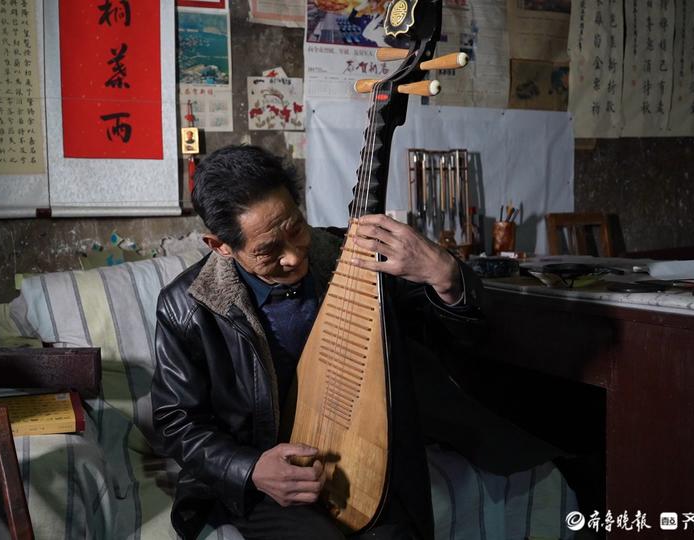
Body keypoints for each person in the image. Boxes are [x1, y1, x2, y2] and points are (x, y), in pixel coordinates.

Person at [152, 145, 483, 540]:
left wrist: (447, 276)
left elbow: (453, 334)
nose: (293, 256)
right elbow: (177, 422)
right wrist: (252, 469)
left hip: (362, 462)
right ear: (221, 246)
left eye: (295, 228)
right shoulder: (187, 306)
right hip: (257, 485)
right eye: (268, 250)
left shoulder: (354, 258)